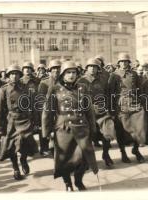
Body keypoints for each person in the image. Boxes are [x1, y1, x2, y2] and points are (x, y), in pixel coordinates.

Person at [42, 61, 98, 191]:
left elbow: (88, 110)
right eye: (68, 73)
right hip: (63, 129)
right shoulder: (54, 89)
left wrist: (93, 128)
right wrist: (47, 131)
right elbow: (47, 112)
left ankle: (78, 180)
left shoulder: (82, 88)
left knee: (85, 158)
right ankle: (68, 183)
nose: (71, 75)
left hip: (82, 127)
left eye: (74, 72)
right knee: (64, 160)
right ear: (63, 74)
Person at [0, 64, 39, 180]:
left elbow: (33, 105)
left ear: (20, 75)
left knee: (26, 143)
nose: (14, 76)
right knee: (11, 147)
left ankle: (23, 159)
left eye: (16, 74)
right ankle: (15, 168)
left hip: (25, 119)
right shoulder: (4, 89)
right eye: (12, 74)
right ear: (8, 76)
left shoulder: (26, 88)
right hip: (11, 121)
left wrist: (36, 121)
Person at [108, 53, 147, 163]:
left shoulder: (134, 74)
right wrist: (112, 109)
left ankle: (136, 149)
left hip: (134, 103)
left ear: (129, 63)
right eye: (122, 61)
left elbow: (140, 89)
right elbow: (110, 93)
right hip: (121, 105)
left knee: (139, 128)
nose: (124, 63)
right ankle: (123, 153)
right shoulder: (114, 75)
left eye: (126, 61)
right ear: (118, 63)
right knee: (122, 130)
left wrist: (142, 102)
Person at [77, 58, 116, 167]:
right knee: (87, 136)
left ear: (98, 69)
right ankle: (86, 159)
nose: (92, 69)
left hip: (102, 110)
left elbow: (108, 95)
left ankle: (106, 154)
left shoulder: (103, 80)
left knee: (108, 132)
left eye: (95, 67)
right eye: (90, 66)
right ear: (86, 68)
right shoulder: (81, 81)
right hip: (87, 112)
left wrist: (110, 109)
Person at [37, 59, 62, 156]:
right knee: (47, 131)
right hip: (48, 111)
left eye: (58, 69)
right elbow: (40, 100)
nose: (56, 72)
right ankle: (45, 147)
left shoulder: (64, 81)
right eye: (54, 69)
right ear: (50, 71)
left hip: (61, 111)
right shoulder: (45, 83)